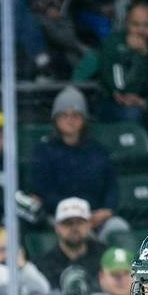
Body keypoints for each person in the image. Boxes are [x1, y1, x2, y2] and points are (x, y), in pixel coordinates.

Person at [29, 87, 122, 234]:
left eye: (76, 115)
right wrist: (77, 214)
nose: (70, 120)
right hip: (60, 216)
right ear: (56, 119)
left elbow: (111, 186)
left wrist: (107, 211)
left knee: (117, 228)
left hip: (96, 216)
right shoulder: (44, 151)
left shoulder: (98, 150)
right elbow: (43, 192)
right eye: (64, 115)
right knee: (79, 233)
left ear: (84, 119)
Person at [70, 2, 148, 124]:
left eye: (146, 25)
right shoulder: (113, 44)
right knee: (132, 113)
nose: (140, 30)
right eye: (135, 24)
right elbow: (122, 89)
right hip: (115, 105)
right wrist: (140, 55)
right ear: (127, 24)